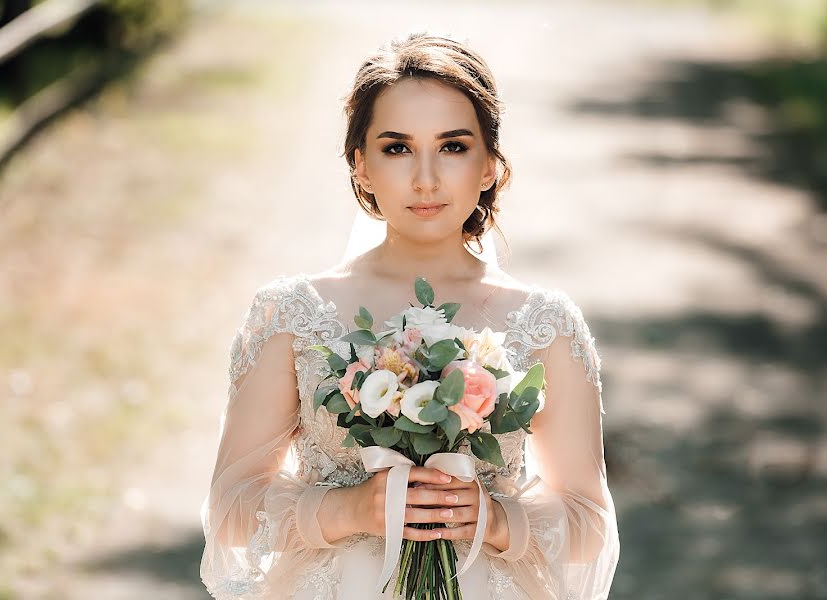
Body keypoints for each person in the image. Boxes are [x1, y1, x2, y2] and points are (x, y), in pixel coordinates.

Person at [199, 32, 620, 599]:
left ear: (491, 165)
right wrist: (346, 509)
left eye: (453, 147)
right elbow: (229, 509)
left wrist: (495, 521)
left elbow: (589, 526)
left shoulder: (545, 322)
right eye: (397, 147)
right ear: (362, 166)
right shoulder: (292, 314)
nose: (425, 178)